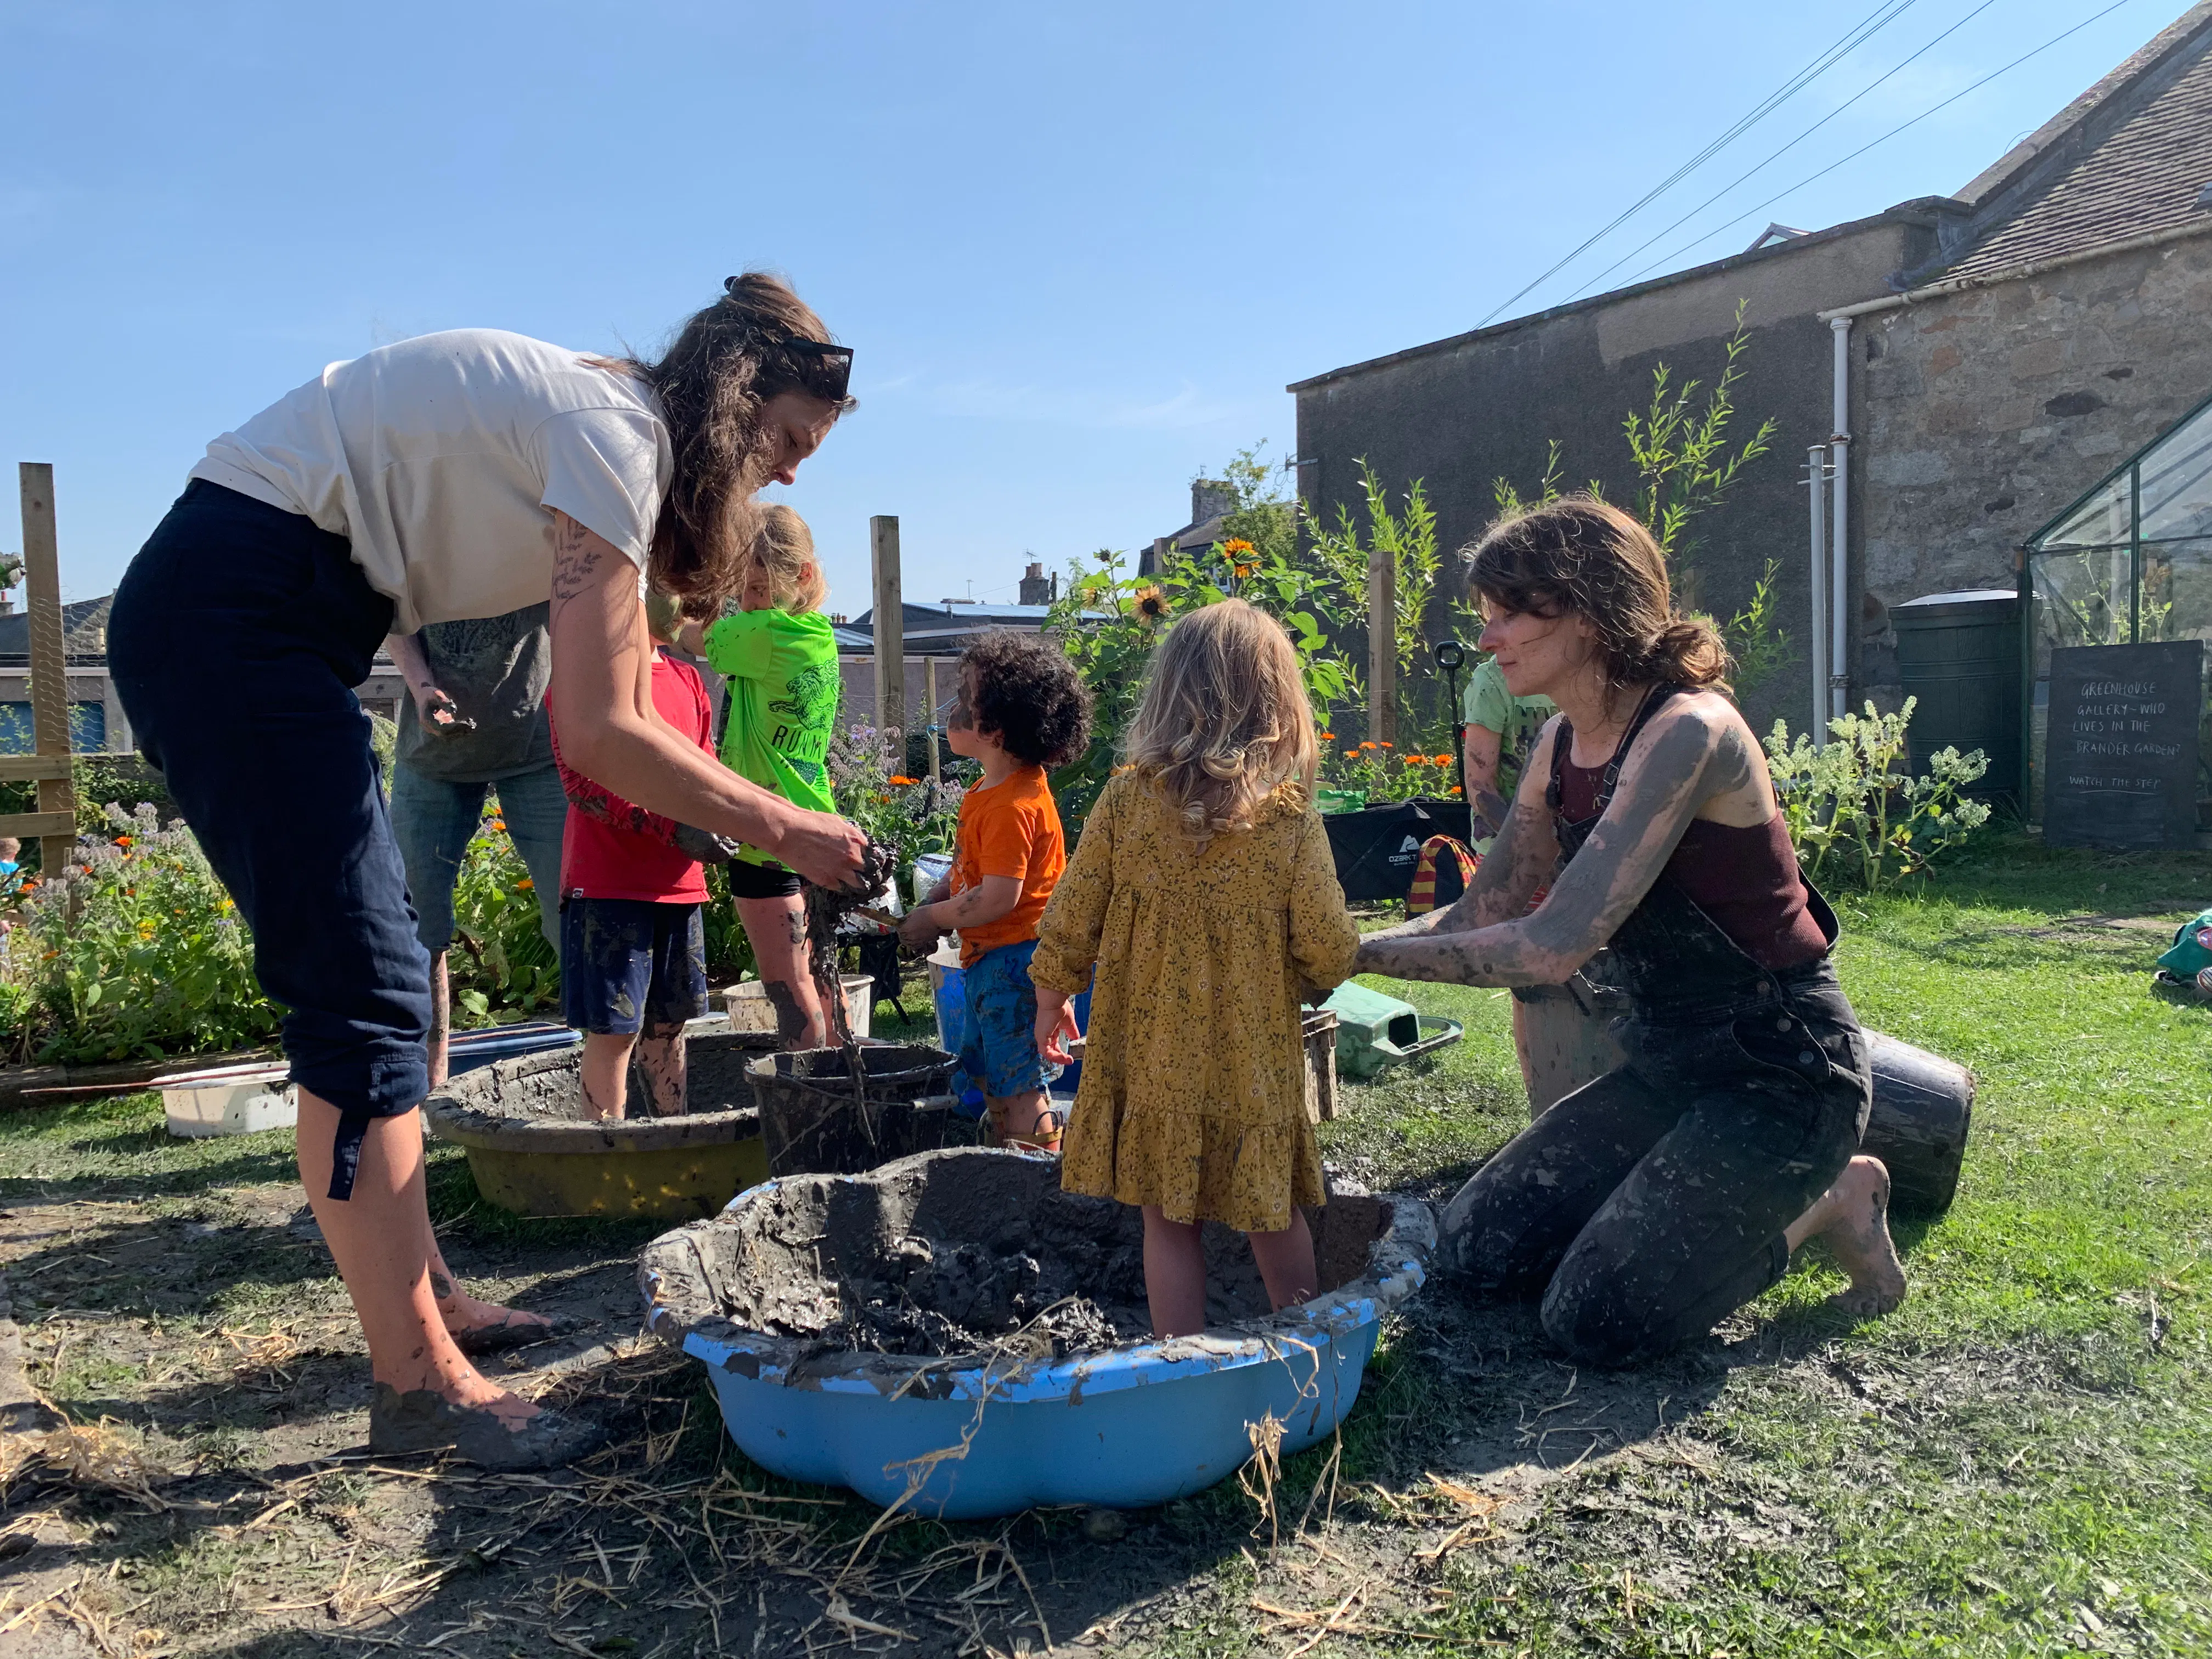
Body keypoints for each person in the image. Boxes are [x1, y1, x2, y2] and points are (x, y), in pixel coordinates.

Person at [105, 274, 870, 1467]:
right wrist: (794, 830)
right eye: (782, 442)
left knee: (393, 969)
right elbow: (605, 731)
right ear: (733, 399)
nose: (785, 475)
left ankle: (428, 1300)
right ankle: (420, 1389)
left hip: (282, 615)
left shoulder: (606, 424)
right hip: (232, 611)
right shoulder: (618, 432)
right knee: (361, 995)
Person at [1355, 496, 1904, 1369]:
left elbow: (1551, 945)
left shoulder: (1689, 731)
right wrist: (1337, 944)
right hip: (1666, 1063)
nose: (1490, 640)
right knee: (1476, 1253)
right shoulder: (1558, 744)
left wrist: (1354, 957)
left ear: (1585, 608)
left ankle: (1837, 1196)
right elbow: (1486, 911)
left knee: (1598, 1319)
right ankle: (1668, 1193)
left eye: (1508, 614)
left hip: (1780, 1077)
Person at [1031, 600, 1361, 1337]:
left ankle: (1178, 1359)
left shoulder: (1127, 799)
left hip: (1152, 1065)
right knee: (1273, 1214)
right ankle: (1307, 1344)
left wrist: (1052, 1000)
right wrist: (1306, 979)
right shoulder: (1287, 816)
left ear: (1168, 693)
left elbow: (1071, 914)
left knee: (1167, 1225)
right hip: (1253, 1068)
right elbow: (1330, 942)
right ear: (1277, 702)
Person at [900, 632, 1091, 1152]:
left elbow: (998, 898)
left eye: (966, 701)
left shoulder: (1013, 806)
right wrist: (932, 901)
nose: (954, 712)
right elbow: (968, 872)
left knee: (1021, 1085)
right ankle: (1004, 1153)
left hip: (1018, 963)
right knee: (988, 1074)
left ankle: (1038, 1171)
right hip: (992, 961)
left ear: (998, 729)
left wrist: (934, 919)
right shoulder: (989, 789)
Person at [674, 505, 839, 1048]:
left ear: (805, 576)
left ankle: (806, 1091)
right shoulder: (816, 635)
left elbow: (685, 635)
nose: (745, 604)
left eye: (756, 589)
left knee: (786, 987)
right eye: (738, 591)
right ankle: (843, 1082)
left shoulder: (762, 632)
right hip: (816, 825)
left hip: (767, 834)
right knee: (820, 979)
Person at [385, 605, 567, 1087]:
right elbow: (392, 610)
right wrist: (423, 687)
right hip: (432, 758)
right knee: (414, 928)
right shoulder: (416, 530)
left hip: (536, 750)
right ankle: (426, 1088)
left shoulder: (541, 527)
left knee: (576, 913)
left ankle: (600, 1073)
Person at [549, 634, 720, 1120]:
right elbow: (584, 785)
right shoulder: (582, 679)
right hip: (608, 884)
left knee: (670, 1025)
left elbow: (709, 773)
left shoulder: (688, 680)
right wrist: (673, 826)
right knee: (614, 1031)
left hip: (680, 885)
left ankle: (672, 1137)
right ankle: (605, 1161)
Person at [1460, 649, 1555, 851]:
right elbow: (1479, 786)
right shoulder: (1491, 681)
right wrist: (1530, 848)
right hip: (1505, 851)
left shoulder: (1592, 673)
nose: (1485, 641)